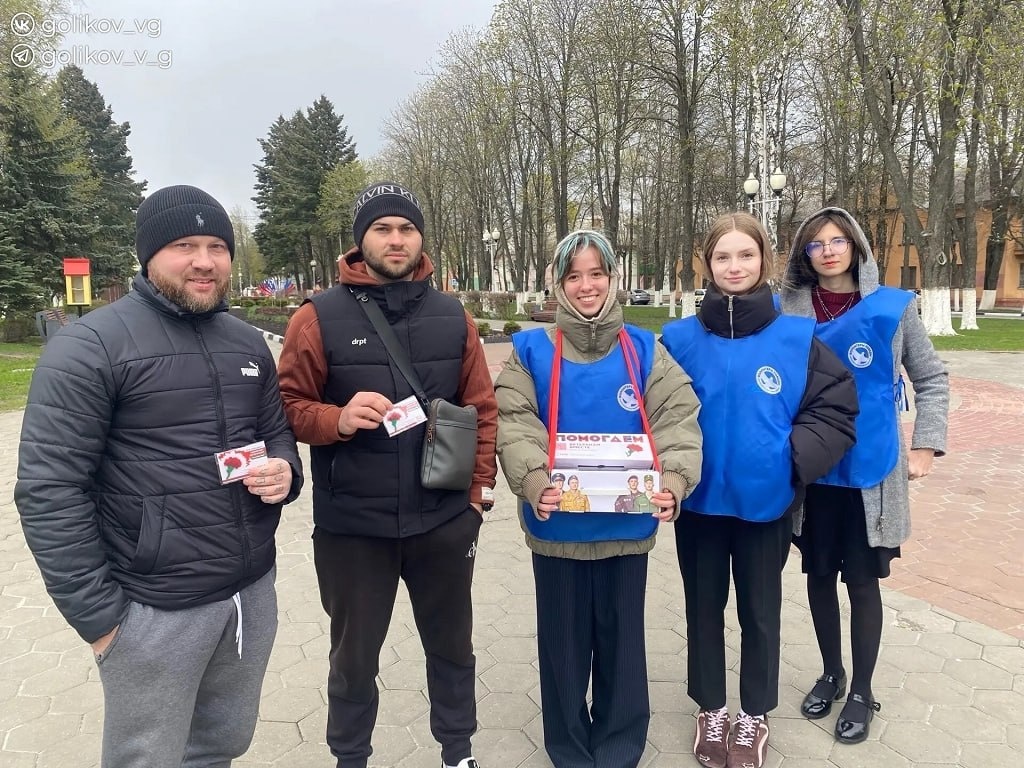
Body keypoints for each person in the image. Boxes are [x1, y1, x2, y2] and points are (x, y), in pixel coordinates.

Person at [14, 184, 303, 768]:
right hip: (153, 609)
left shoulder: (247, 341)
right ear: (148, 255)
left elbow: (277, 434)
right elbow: (49, 491)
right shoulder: (90, 346)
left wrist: (285, 472)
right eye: (184, 246)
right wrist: (102, 621)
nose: (204, 261)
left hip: (248, 594)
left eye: (217, 246)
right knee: (147, 758)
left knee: (220, 746)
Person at [277, 180, 498, 768]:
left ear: (420, 238)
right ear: (361, 240)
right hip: (353, 528)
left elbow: (482, 408)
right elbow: (286, 405)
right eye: (382, 228)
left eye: (406, 228)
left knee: (453, 649)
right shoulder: (317, 317)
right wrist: (337, 418)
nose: (396, 239)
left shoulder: (453, 317)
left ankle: (458, 752)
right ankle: (350, 756)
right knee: (353, 660)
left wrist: (477, 498)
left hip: (444, 522)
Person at [496, 229, 703, 768]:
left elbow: (678, 418)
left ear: (613, 278)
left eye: (596, 274)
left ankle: (618, 749)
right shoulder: (530, 351)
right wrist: (533, 479)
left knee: (622, 647)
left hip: (626, 533)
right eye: (574, 276)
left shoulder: (645, 350)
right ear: (558, 284)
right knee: (562, 651)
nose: (586, 286)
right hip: (557, 530)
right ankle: (569, 750)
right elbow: (515, 422)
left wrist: (674, 481)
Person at [660, 212, 858, 768]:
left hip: (765, 506)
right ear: (707, 264)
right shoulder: (677, 340)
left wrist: (789, 462)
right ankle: (712, 708)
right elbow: (650, 412)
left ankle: (753, 714)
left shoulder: (796, 338)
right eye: (722, 256)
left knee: (760, 612)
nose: (734, 266)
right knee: (703, 609)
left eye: (745, 255)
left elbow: (836, 409)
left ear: (764, 260)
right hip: (697, 504)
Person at [780, 207, 949, 744]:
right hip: (812, 467)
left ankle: (861, 690)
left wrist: (925, 445)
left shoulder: (894, 307)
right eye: (816, 244)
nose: (828, 251)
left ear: (856, 244)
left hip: (871, 469)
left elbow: (931, 377)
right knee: (818, 576)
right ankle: (832, 673)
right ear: (804, 254)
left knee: (861, 581)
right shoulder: (788, 308)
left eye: (837, 240)